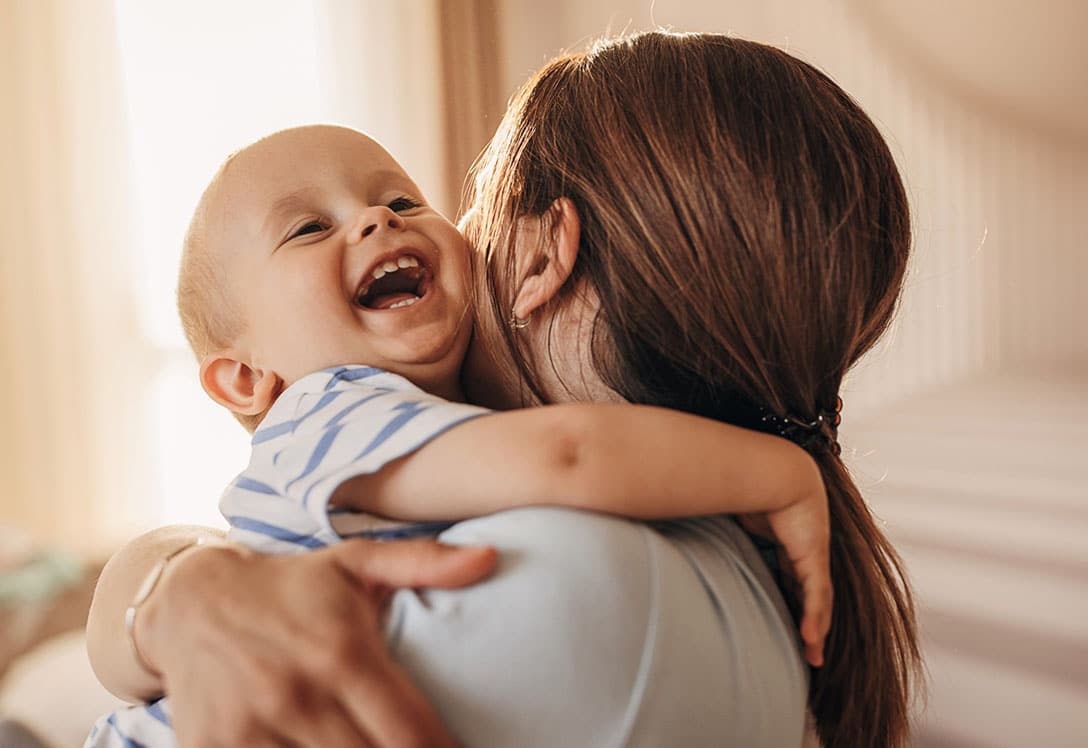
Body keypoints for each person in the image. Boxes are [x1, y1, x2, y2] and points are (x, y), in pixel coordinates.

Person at [88, 29, 920, 748]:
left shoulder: (588, 585)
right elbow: (568, 455)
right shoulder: (331, 403)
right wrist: (169, 584)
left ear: (541, 255)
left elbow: (570, 457)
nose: (379, 223)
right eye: (310, 228)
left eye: (407, 200)